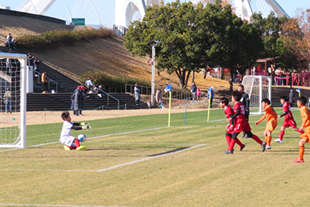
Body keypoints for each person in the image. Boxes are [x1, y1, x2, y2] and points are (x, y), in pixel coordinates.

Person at [292, 96, 310, 163]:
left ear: (300, 103)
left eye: (297, 102)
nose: (297, 104)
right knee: (301, 142)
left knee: (301, 142)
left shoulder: (302, 109)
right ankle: (300, 159)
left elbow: (306, 117)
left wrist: (302, 126)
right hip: (307, 128)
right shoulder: (305, 108)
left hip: (308, 128)